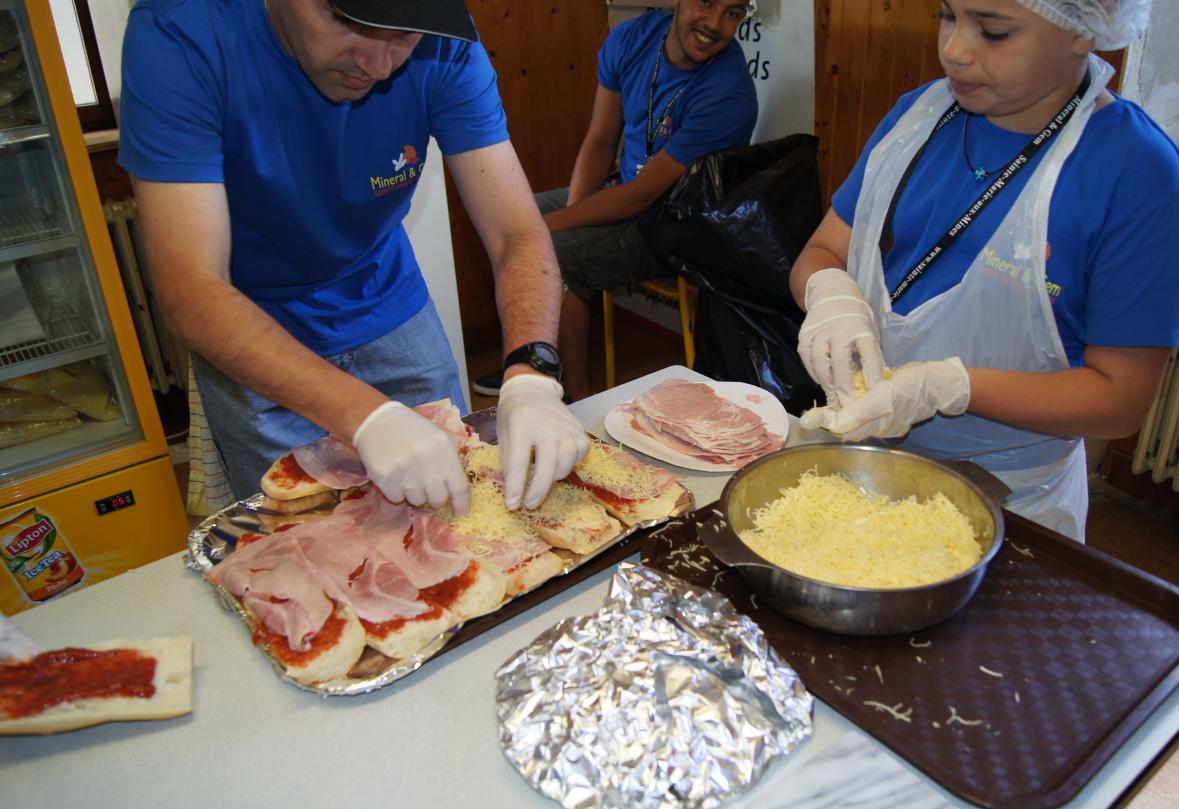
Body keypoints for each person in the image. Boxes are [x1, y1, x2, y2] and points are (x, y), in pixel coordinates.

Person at [118, 0, 589, 514]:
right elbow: (190, 288)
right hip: (251, 328)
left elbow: (515, 231)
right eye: (351, 24)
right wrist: (368, 416)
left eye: (404, 37)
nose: (379, 66)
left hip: (387, 300)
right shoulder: (181, 33)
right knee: (306, 546)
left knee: (461, 513)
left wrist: (531, 374)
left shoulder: (443, 37)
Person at [791, 0, 1179, 542]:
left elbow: (1120, 400)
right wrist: (831, 296)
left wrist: (950, 386)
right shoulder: (917, 118)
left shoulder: (1137, 173)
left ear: (1081, 31)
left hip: (1010, 498)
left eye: (994, 32)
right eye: (948, 16)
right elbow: (822, 251)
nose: (954, 50)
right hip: (863, 460)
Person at [471, 0, 760, 402]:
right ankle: (530, 360)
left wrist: (546, 231)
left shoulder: (730, 96)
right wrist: (568, 214)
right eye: (707, 2)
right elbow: (601, 140)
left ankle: (576, 402)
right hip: (627, 194)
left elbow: (641, 196)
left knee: (554, 252)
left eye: (732, 13)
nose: (714, 23)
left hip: (679, 226)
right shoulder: (631, 39)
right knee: (511, 219)